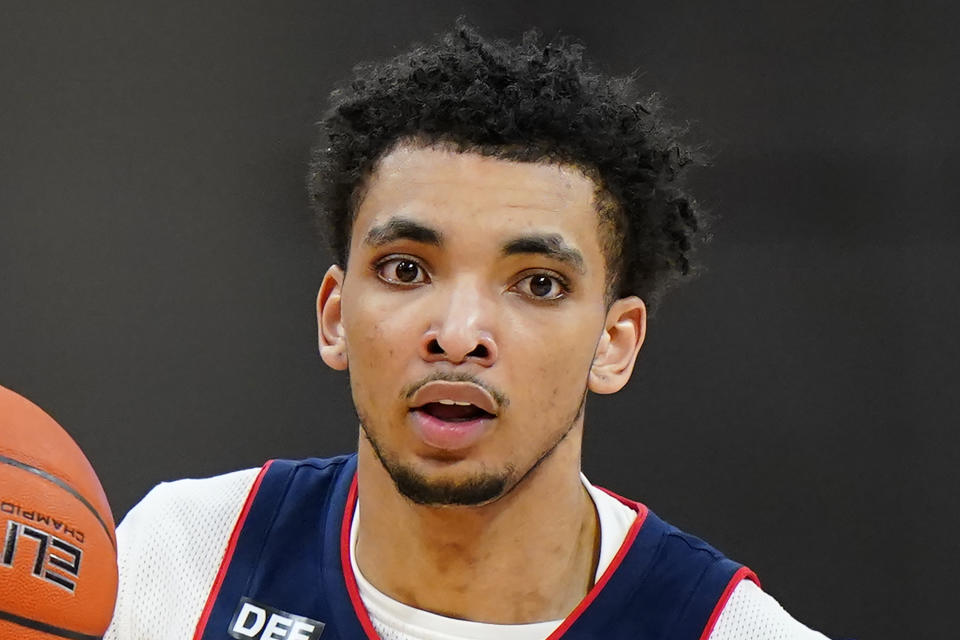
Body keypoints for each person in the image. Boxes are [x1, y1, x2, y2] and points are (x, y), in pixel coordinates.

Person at [106, 22, 830, 640]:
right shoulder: (179, 560)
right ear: (334, 315)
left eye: (538, 284)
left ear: (614, 344)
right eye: (405, 270)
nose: (458, 336)